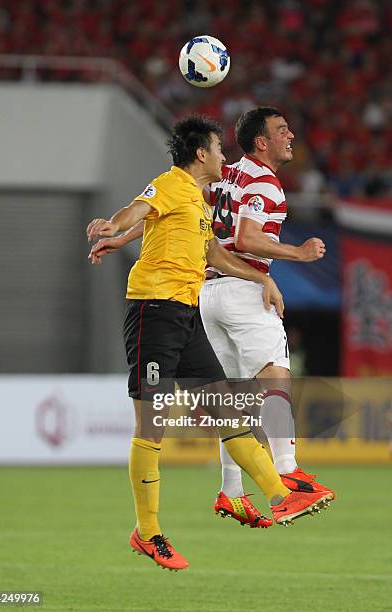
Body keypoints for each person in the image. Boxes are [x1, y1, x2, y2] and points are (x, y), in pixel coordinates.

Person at [86, 115, 333, 571]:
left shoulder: (197, 203)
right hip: (153, 313)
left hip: (188, 313)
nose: (224, 157)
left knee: (226, 409)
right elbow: (139, 209)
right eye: (219, 149)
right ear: (201, 154)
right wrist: (111, 226)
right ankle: (149, 533)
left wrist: (264, 279)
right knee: (152, 428)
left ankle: (280, 496)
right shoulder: (169, 184)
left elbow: (214, 253)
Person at [199, 107, 335, 526]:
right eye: (282, 130)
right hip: (243, 289)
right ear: (262, 142)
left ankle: (231, 490)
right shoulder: (264, 181)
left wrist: (120, 232)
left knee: (235, 399)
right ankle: (287, 470)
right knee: (276, 375)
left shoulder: (225, 174)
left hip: (208, 290)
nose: (291, 135)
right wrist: (300, 253)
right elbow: (248, 237)